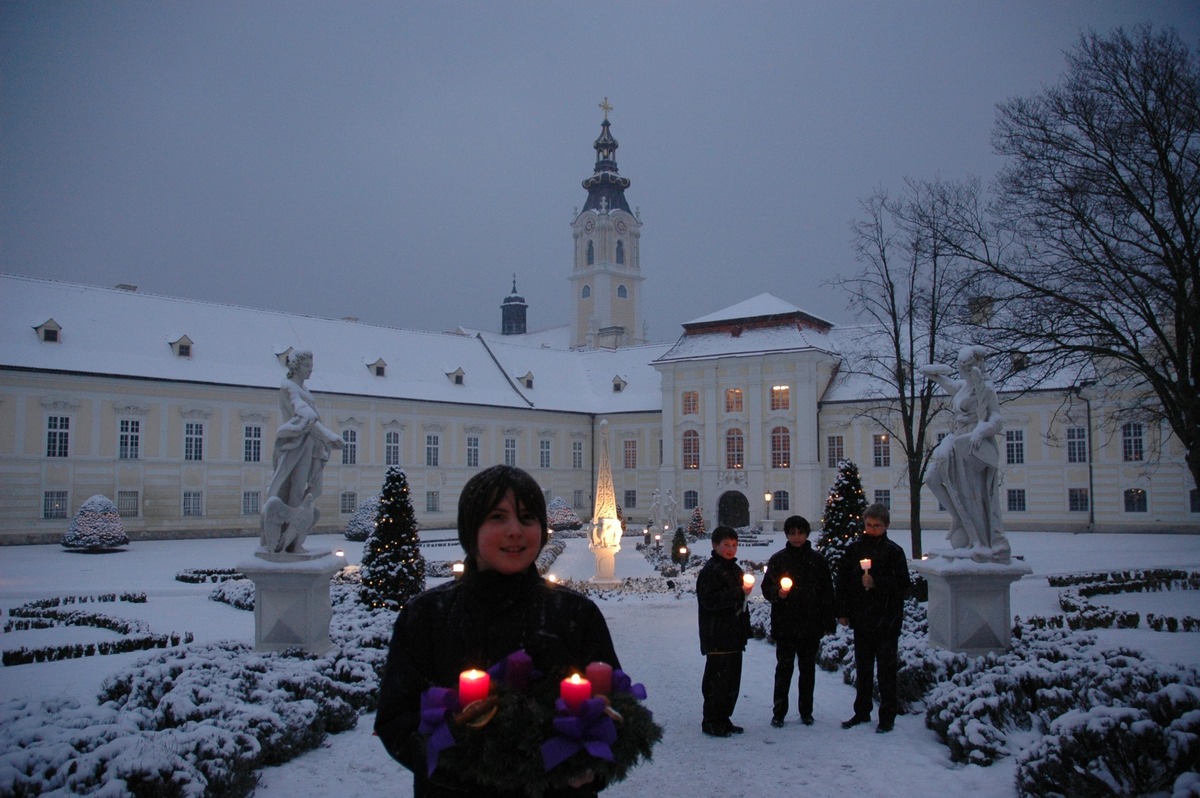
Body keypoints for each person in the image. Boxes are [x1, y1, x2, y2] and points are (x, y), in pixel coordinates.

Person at [375, 465, 621, 797]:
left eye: (527, 518)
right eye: (497, 517)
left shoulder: (576, 615)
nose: (515, 531)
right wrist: (470, 766)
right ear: (470, 529)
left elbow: (617, 711)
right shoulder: (427, 616)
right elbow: (397, 721)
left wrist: (589, 767)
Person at [918, 345, 1011, 563]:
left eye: (969, 367)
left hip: (972, 444)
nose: (965, 371)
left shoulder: (985, 389)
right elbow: (937, 378)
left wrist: (981, 430)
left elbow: (997, 420)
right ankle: (959, 517)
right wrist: (936, 369)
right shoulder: (962, 387)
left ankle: (979, 540)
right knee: (932, 478)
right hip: (956, 440)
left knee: (973, 496)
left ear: (977, 366)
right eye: (963, 367)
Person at [836, 503, 911, 733]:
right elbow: (844, 582)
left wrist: (876, 582)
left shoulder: (894, 551)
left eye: (877, 526)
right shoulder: (855, 549)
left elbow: (904, 586)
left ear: (885, 526)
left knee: (887, 670)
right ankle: (862, 711)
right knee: (864, 668)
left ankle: (887, 716)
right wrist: (842, 611)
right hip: (863, 618)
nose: (872, 529)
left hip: (887, 619)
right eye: (869, 525)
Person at [262, 349, 342, 553]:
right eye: (307, 366)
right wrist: (328, 436)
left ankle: (293, 538)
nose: (311, 370)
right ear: (296, 366)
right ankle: (283, 540)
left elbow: (310, 417)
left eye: (312, 366)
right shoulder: (288, 387)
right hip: (295, 446)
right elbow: (304, 414)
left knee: (307, 490)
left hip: (309, 445)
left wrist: (323, 438)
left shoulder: (304, 389)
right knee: (291, 489)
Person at [761, 515, 835, 727]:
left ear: (806, 534)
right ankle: (779, 711)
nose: (796, 537)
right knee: (783, 669)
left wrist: (827, 622)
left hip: (810, 624)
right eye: (792, 533)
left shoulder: (818, 561)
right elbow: (766, 588)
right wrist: (778, 593)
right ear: (787, 534)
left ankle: (806, 711)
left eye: (800, 532)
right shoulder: (778, 559)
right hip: (786, 624)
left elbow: (827, 593)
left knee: (807, 670)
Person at [696, 525, 752, 737]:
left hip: (733, 635)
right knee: (716, 680)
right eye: (726, 545)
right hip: (717, 635)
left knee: (730, 681)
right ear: (715, 546)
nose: (731, 549)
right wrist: (739, 593)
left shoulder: (733, 569)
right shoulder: (711, 570)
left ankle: (724, 718)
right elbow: (709, 601)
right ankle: (711, 720)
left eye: (734, 545)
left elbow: (739, 600)